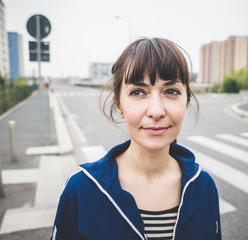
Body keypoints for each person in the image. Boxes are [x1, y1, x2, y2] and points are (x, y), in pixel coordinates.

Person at [50, 37, 221, 240]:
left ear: (187, 101)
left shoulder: (203, 187)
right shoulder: (81, 189)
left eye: (172, 91)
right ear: (119, 105)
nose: (156, 111)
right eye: (138, 92)